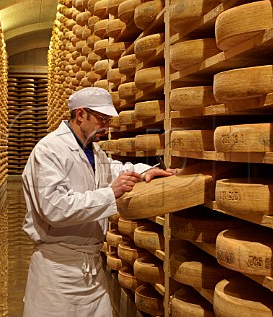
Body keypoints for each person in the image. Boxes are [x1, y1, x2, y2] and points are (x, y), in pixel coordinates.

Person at [21, 87, 173, 316]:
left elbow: (116, 170)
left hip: (91, 270)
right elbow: (55, 208)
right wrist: (110, 194)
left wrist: (146, 171)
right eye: (102, 119)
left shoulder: (93, 151)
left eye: (108, 120)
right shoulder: (49, 150)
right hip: (57, 273)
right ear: (81, 115)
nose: (107, 127)